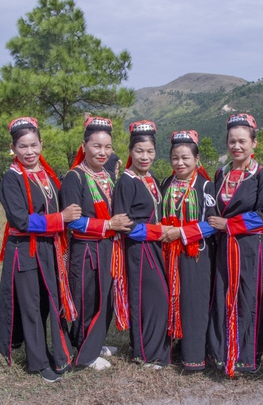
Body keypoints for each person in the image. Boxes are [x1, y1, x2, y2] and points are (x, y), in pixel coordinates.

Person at [0, 116, 83, 383]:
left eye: (33, 145)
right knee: (31, 307)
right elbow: (20, 220)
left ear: (41, 144)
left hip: (50, 248)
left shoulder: (46, 174)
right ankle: (39, 362)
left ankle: (60, 354)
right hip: (25, 251)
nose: (29, 152)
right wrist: (61, 219)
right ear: (14, 148)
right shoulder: (12, 179)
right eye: (23, 146)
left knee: (51, 302)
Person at [206, 113, 263, 378]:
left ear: (254, 144)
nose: (237, 146)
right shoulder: (221, 173)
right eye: (232, 141)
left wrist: (229, 225)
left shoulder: (262, 175)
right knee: (223, 296)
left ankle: (247, 356)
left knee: (249, 298)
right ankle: (222, 354)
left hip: (250, 249)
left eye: (242, 141)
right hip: (224, 248)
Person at [61, 116, 132, 370]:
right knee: (87, 299)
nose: (102, 152)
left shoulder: (108, 175)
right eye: (96, 146)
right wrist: (108, 225)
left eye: (107, 147)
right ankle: (84, 352)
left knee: (106, 298)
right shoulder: (74, 177)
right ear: (84, 146)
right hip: (87, 249)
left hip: (108, 248)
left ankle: (95, 342)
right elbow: (73, 222)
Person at [112, 120, 171, 368]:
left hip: (155, 247)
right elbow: (124, 224)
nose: (144, 157)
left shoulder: (149, 178)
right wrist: (157, 232)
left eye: (149, 151)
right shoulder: (126, 181)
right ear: (130, 152)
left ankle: (153, 348)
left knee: (157, 299)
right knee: (148, 298)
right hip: (140, 249)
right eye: (139, 151)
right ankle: (144, 353)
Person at [159, 130, 217, 371]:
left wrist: (182, 233)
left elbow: (212, 223)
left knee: (194, 303)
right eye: (175, 158)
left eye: (185, 158)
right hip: (169, 253)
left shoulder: (205, 186)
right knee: (173, 299)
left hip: (196, 255)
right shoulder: (165, 183)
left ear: (196, 158)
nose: (180, 163)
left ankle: (195, 357)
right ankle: (174, 345)